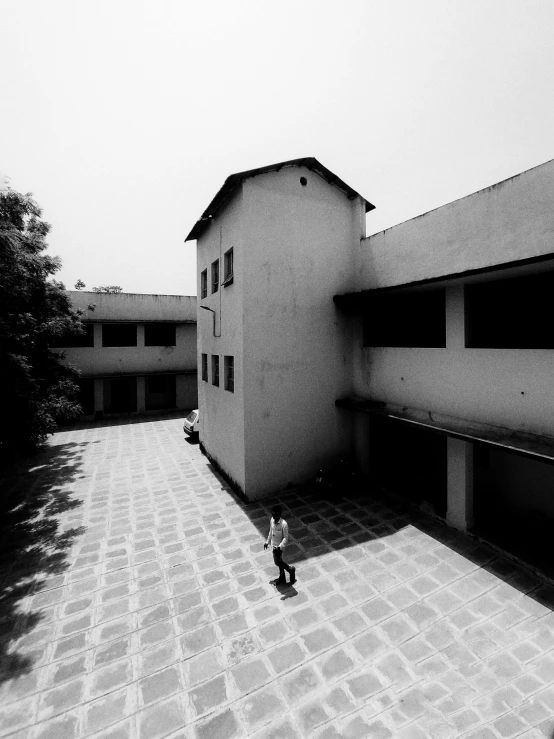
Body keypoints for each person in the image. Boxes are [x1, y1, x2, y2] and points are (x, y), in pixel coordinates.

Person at [264, 504, 296, 585]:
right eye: (272, 514)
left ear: (279, 515)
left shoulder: (284, 524)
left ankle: (290, 569)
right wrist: (267, 542)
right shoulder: (272, 520)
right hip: (273, 545)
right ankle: (282, 577)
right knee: (279, 561)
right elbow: (270, 532)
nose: (273, 516)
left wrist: (280, 547)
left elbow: (285, 538)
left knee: (277, 562)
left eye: (275, 515)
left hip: (279, 547)